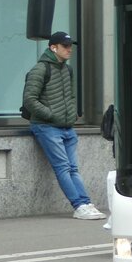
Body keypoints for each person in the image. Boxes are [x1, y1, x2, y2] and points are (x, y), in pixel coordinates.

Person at [23, 31, 105, 220]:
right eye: (65, 46)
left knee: (72, 168)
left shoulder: (67, 70)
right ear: (53, 48)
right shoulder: (40, 69)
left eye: (70, 46)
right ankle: (79, 206)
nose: (69, 50)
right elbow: (30, 99)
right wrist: (51, 115)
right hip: (47, 127)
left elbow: (70, 96)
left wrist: (71, 114)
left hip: (67, 127)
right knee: (63, 168)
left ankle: (86, 203)